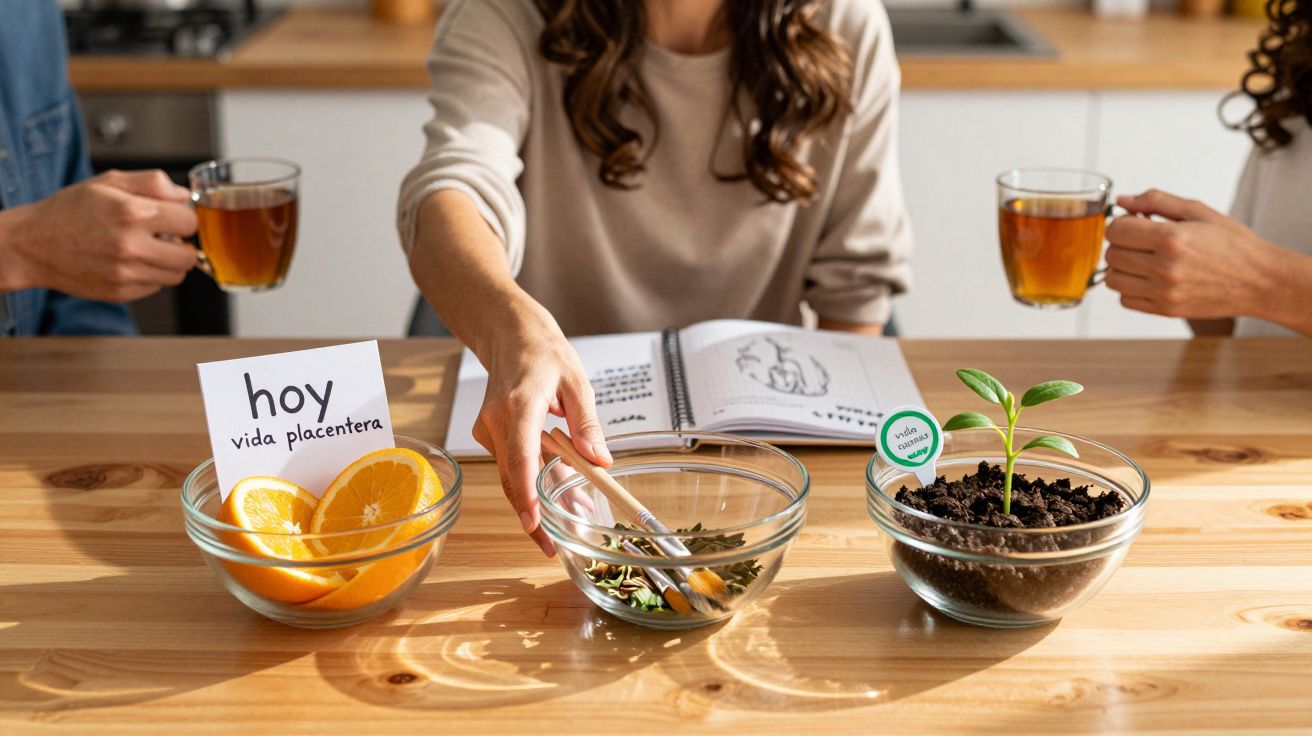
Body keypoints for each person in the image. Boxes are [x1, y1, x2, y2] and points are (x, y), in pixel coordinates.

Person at [398, 0, 911, 555]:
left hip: (757, 460)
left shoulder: (845, 22)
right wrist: (512, 329)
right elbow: (452, 188)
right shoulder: (506, 13)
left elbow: (855, 287)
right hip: (557, 445)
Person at [1105, 2, 1312, 338]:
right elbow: (1236, 328)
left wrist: (1256, 281)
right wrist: (1193, 273)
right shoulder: (1296, 93)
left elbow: (1256, 282)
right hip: (1258, 387)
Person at [0, 2, 198, 337]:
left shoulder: (28, 10)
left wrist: (114, 378)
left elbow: (79, 283)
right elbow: (47, 243)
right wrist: (19, 246)